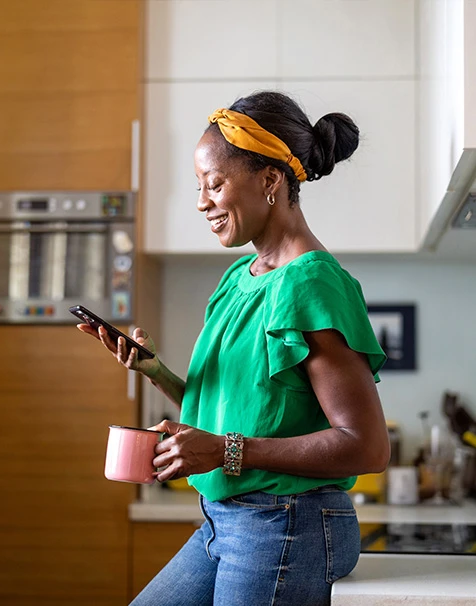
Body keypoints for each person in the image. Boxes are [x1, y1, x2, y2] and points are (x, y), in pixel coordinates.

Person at [78, 90, 390, 606]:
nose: (202, 201)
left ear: (270, 181)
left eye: (214, 183)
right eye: (199, 186)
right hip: (226, 522)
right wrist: (156, 372)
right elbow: (244, 412)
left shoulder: (311, 285)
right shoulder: (236, 280)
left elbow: (367, 445)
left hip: (288, 524)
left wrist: (223, 451)